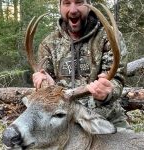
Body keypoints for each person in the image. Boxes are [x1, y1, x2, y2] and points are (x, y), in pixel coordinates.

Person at [33, 0, 131, 131]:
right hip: (63, 123)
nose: (73, 10)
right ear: (60, 7)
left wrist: (108, 91)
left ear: (89, 5)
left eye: (79, 2)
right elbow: (48, 96)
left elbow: (117, 79)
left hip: (105, 120)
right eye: (67, 3)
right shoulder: (49, 43)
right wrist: (46, 86)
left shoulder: (109, 36)